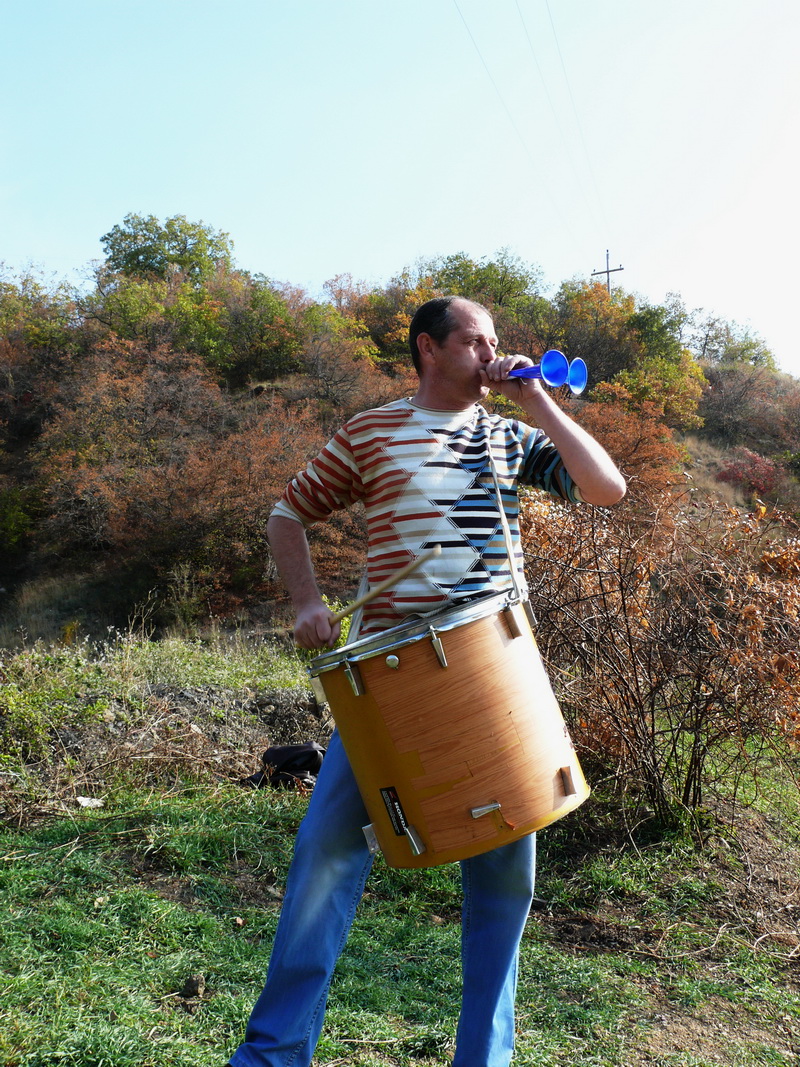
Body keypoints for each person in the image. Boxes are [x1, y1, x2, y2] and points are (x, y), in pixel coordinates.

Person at [228, 296, 626, 1067]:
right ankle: (273, 1054)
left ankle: (484, 1058)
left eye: (496, 342)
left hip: (493, 676)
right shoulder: (371, 432)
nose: (493, 355)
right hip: (387, 681)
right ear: (429, 349)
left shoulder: (507, 435)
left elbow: (607, 488)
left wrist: (538, 402)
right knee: (324, 855)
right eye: (476, 342)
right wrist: (307, 601)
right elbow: (287, 514)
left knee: (505, 877)